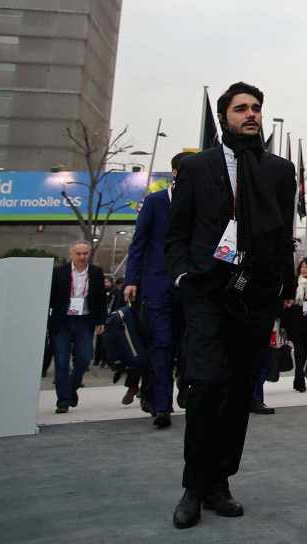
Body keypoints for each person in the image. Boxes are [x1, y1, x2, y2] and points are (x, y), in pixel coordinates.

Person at [165, 81, 296, 528]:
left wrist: (281, 288)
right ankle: (193, 486)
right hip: (206, 291)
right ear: (225, 117)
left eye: (256, 108)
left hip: (254, 295)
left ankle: (220, 482)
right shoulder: (199, 168)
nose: (251, 114)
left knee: (239, 392)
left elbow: (281, 237)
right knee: (205, 386)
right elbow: (177, 231)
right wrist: (182, 274)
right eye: (241, 108)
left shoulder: (279, 170)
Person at [125, 151, 190, 429]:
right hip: (157, 285)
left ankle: (177, 389)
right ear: (175, 173)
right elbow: (138, 243)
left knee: (185, 345)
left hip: (189, 287)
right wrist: (131, 280)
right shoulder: (154, 202)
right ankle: (162, 406)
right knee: (162, 343)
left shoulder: (201, 204)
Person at [47, 240, 106, 414]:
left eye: (85, 253)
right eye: (78, 253)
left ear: (90, 254)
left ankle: (72, 387)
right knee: (61, 361)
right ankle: (63, 401)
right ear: (71, 254)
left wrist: (101, 321)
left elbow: (101, 298)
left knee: (85, 358)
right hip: (62, 321)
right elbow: (50, 297)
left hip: (84, 321)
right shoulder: (59, 272)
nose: (82, 257)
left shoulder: (96, 273)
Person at [285, 259, 307, 393]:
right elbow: (288, 300)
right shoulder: (295, 282)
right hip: (295, 320)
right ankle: (300, 379)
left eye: (306, 267)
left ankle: (297, 377)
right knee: (299, 350)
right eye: (302, 267)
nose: (303, 270)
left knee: (304, 350)